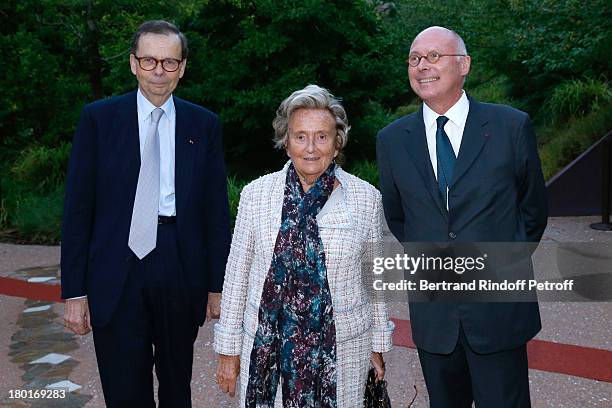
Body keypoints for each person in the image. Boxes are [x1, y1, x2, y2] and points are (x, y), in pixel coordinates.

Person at [61, 20, 231, 407]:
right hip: (114, 267)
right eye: (150, 60)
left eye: (169, 62)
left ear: (183, 67)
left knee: (176, 387)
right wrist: (74, 291)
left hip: (178, 263)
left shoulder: (203, 125)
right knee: (124, 392)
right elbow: (78, 209)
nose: (159, 70)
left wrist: (217, 285)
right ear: (133, 64)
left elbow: (214, 211)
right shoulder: (98, 120)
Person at [376, 26, 548, 407]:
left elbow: (533, 211)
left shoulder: (510, 127)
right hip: (434, 318)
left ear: (464, 64)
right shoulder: (391, 140)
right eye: (414, 59)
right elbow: (400, 218)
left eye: (434, 56)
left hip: (498, 313)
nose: (422, 66)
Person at [214, 84, 394, 407]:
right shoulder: (256, 196)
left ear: (337, 143)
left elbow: (376, 282)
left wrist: (378, 344)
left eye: (322, 137)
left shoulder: (366, 199)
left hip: (344, 352)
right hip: (267, 352)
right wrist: (228, 349)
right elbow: (236, 276)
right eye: (300, 136)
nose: (311, 147)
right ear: (286, 142)